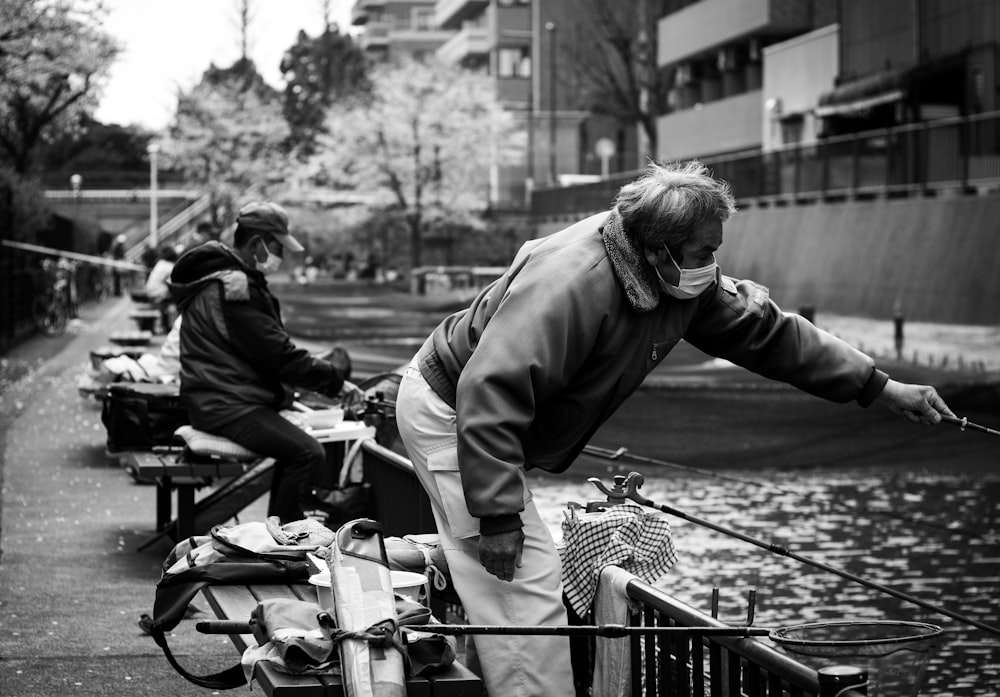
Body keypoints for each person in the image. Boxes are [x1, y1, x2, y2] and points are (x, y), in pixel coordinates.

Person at [393, 160, 955, 697]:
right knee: (519, 581)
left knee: (504, 567)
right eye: (704, 249)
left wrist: (879, 387)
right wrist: (496, 514)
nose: (712, 261)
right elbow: (491, 388)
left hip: (476, 411)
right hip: (450, 409)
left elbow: (767, 333)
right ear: (659, 246)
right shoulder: (573, 280)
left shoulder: (672, 276)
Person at [168, 201, 361, 523]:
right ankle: (282, 539)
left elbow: (267, 352)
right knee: (307, 453)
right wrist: (336, 382)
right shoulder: (235, 288)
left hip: (217, 397)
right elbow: (277, 355)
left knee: (299, 447)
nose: (280, 258)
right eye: (277, 248)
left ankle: (280, 532)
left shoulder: (224, 281)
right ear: (257, 244)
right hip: (225, 403)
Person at [144, 244, 179, 333]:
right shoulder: (169, 267)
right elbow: (173, 282)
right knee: (176, 300)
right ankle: (170, 326)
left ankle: (166, 324)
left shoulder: (161, 263)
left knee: (170, 297)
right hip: (157, 294)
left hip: (151, 292)